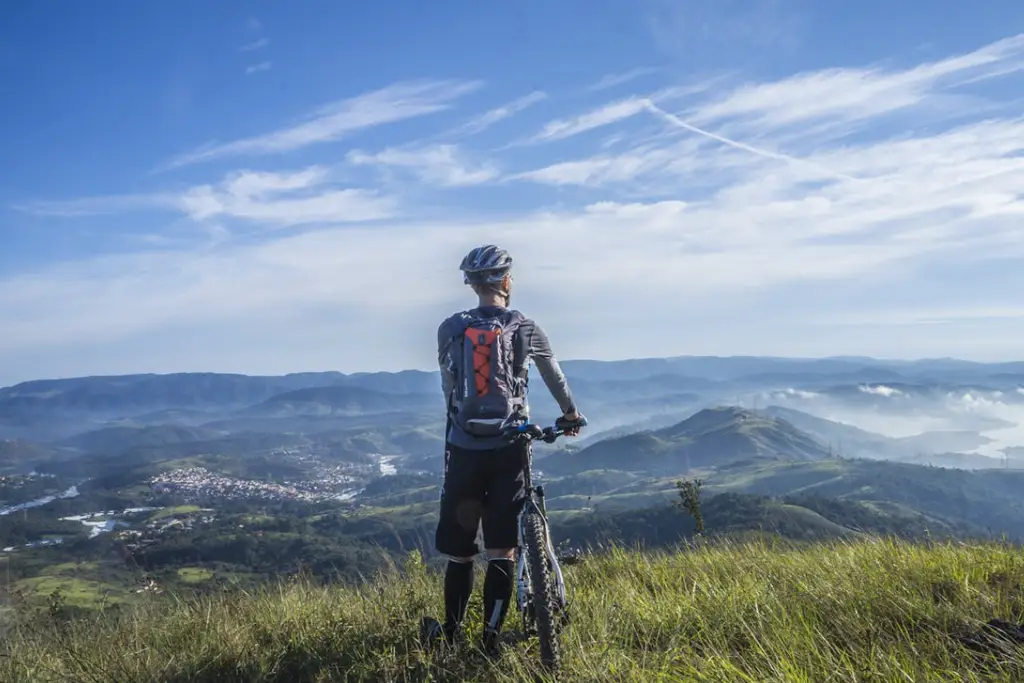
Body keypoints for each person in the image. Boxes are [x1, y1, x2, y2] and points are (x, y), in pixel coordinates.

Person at [424, 244, 585, 655]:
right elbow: (554, 376)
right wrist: (570, 414)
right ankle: (491, 639)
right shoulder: (525, 327)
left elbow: (449, 388)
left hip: (463, 447)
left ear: (472, 285)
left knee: (460, 554)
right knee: (502, 549)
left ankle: (450, 634)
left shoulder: (450, 329)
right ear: (507, 281)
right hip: (509, 448)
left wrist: (459, 427)